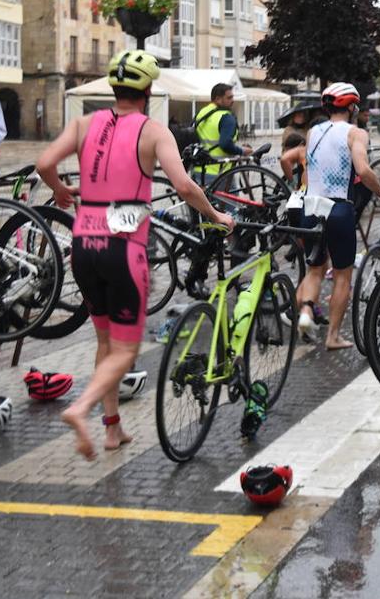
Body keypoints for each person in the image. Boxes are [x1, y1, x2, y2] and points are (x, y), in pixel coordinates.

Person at [36, 51, 234, 460]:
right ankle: (80, 408)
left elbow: (43, 164)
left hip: (83, 245)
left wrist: (58, 188)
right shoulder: (154, 131)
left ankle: (113, 430)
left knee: (105, 341)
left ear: (114, 88)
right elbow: (183, 186)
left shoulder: (83, 124)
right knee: (126, 350)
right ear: (147, 90)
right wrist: (215, 215)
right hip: (123, 248)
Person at [294, 82, 380, 351]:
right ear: (352, 107)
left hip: (310, 206)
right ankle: (333, 337)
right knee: (342, 275)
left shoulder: (314, 131)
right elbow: (363, 171)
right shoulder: (356, 133)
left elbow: (307, 167)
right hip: (339, 207)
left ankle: (306, 311)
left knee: (315, 269)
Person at [193, 83, 251, 186]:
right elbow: (225, 144)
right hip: (220, 172)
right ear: (218, 99)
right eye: (229, 97)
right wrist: (241, 151)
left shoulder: (202, 113)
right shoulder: (226, 117)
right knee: (231, 201)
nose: (233, 100)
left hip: (198, 170)